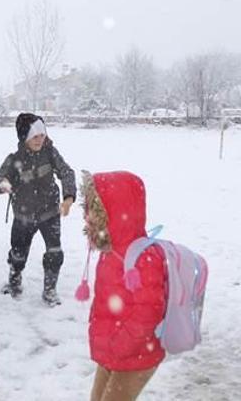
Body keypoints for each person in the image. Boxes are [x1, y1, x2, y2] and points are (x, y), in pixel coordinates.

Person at [81, 170, 167, 401]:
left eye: (95, 211)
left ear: (115, 212)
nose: (88, 218)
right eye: (88, 210)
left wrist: (119, 344)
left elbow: (148, 314)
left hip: (137, 354)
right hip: (115, 350)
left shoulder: (144, 258)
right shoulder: (110, 253)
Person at [0, 113, 76, 306]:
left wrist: (68, 197)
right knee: (18, 254)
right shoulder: (14, 160)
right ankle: (15, 279)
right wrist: (2, 184)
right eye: (34, 136)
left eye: (42, 135)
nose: (39, 140)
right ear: (24, 137)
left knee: (55, 252)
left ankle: (50, 289)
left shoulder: (50, 153)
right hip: (23, 216)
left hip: (50, 213)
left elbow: (66, 172)